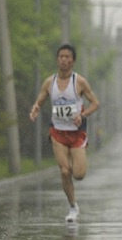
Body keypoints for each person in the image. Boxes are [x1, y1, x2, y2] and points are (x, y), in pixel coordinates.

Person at [29, 44, 100, 223]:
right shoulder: (49, 82)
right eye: (61, 56)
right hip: (58, 133)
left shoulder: (79, 82)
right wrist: (35, 108)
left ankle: (79, 165)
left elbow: (95, 103)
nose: (64, 60)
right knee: (64, 171)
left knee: (78, 174)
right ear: (57, 60)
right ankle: (72, 207)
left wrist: (82, 115)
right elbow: (40, 100)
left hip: (77, 134)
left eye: (68, 57)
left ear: (73, 61)